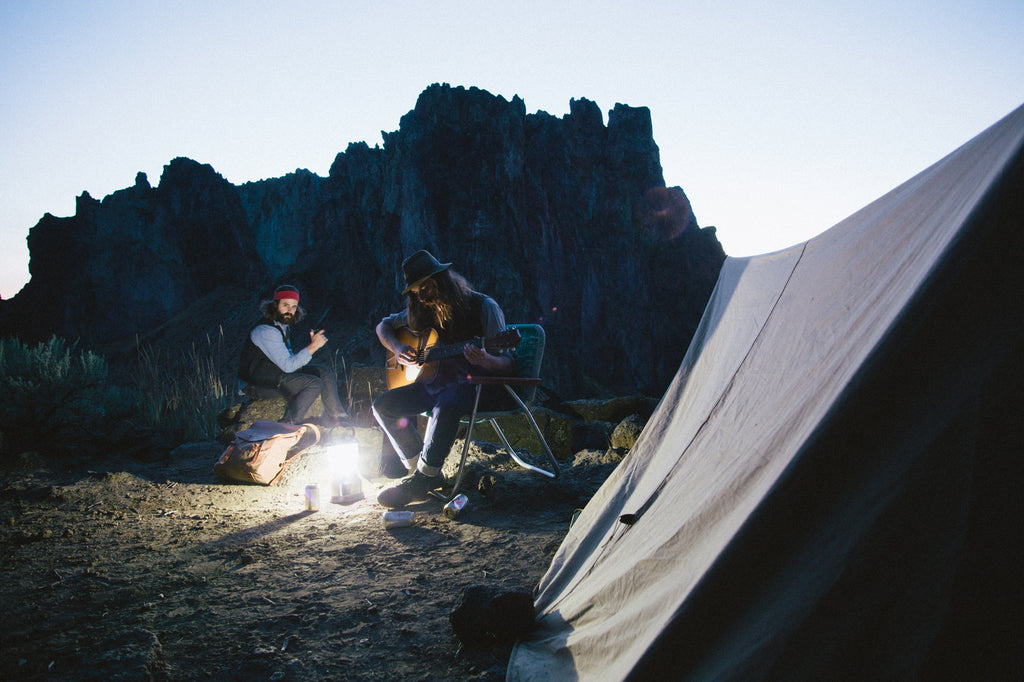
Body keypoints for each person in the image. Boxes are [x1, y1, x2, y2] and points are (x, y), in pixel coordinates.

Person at [373, 250, 518, 507]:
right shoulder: (423, 309)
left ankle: (423, 479)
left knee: (448, 402)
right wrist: (397, 348)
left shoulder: (484, 307)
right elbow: (382, 327)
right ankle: (426, 471)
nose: (421, 295)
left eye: (425, 287)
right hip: (433, 386)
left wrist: (486, 359)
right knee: (382, 406)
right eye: (416, 292)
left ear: (442, 280)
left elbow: (508, 363)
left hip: (476, 388)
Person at [238, 284, 349, 427]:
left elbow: (290, 360)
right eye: (285, 305)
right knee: (314, 383)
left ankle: (339, 418)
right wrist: (313, 346)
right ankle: (289, 422)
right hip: (258, 384)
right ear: (275, 305)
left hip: (274, 375)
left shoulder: (282, 327)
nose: (290, 311)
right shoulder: (266, 330)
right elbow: (289, 366)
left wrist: (307, 353)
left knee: (324, 371)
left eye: (294, 306)